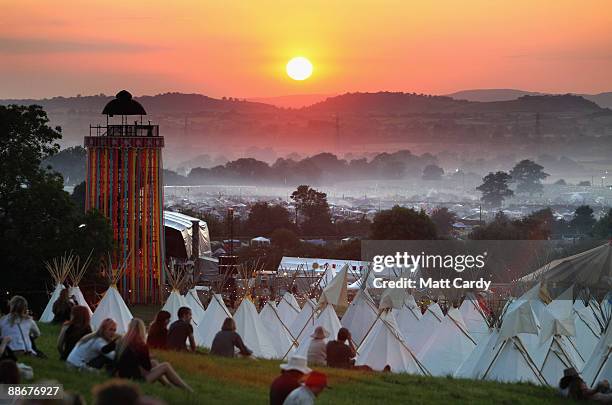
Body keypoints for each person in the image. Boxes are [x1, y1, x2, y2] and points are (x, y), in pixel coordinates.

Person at [115, 318, 192, 391]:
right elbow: (147, 368)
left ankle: (168, 385)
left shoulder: (121, 342)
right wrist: (147, 355)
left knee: (154, 362)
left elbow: (129, 360)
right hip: (135, 381)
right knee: (165, 366)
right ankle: (187, 389)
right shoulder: (140, 345)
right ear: (142, 330)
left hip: (123, 377)